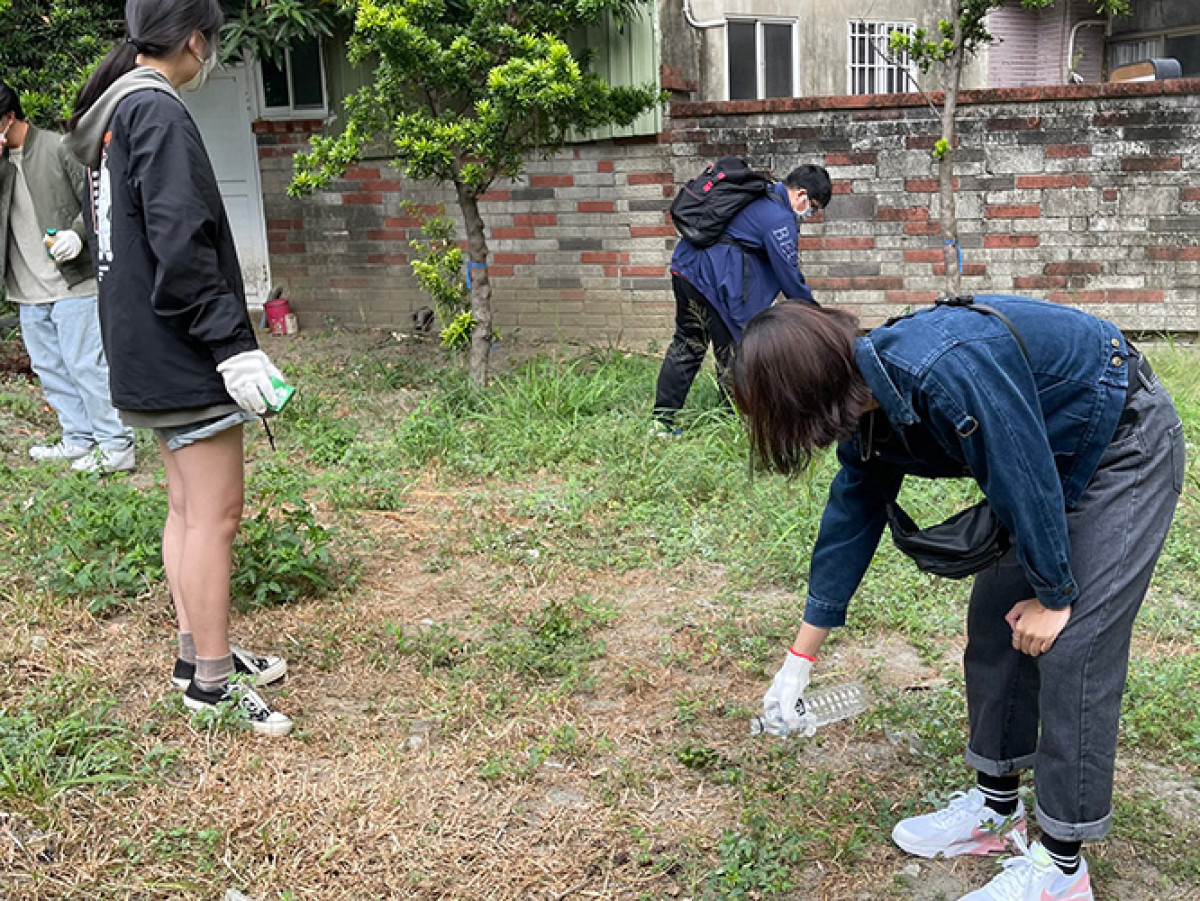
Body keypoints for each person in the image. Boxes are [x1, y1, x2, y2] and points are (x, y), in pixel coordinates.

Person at [733, 296, 1184, 901]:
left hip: (1120, 442)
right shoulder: (866, 399)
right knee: (996, 618)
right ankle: (996, 813)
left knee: (1073, 646)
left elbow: (1019, 470)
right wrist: (799, 661)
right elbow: (852, 515)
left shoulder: (942, 370)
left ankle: (1061, 870)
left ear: (802, 394)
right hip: (1046, 454)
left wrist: (1055, 594)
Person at [67, 0, 292, 736]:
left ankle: (196, 654)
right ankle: (214, 686)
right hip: (180, 348)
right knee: (217, 516)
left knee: (187, 510)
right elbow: (180, 242)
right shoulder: (154, 111)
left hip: (140, 345)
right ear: (195, 39)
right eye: (213, 44)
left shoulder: (115, 110)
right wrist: (231, 346)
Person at [0, 81, 135, 473]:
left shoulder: (59, 148)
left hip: (73, 281)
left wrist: (77, 236)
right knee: (50, 366)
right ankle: (78, 438)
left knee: (85, 363)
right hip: (26, 286)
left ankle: (115, 443)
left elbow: (98, 201)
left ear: (9, 119)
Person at [652, 163, 832, 434]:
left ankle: (661, 423)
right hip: (713, 282)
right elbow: (789, 276)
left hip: (687, 269)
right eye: (814, 207)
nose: (810, 213)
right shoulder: (779, 217)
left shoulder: (758, 196)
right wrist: (819, 317)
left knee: (688, 344)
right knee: (735, 353)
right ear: (801, 194)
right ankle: (731, 425)